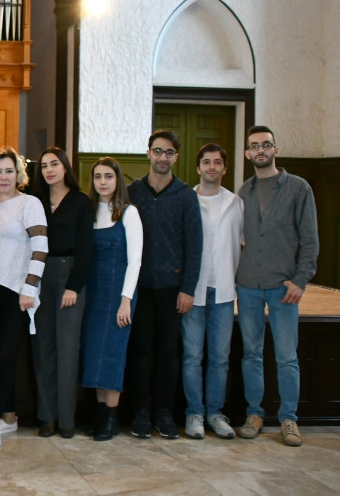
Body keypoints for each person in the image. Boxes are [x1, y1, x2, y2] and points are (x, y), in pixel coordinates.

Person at [235, 126, 318, 447]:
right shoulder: (243, 192)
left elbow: (310, 240)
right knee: (251, 355)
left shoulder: (298, 188)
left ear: (275, 149)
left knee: (287, 356)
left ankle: (289, 419)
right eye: (254, 146)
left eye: (266, 144)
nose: (260, 150)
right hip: (249, 285)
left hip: (284, 287)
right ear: (247, 154)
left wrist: (301, 279)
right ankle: (254, 414)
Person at [126, 129, 202, 439]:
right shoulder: (132, 192)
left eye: (168, 152)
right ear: (148, 153)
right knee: (140, 351)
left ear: (176, 157)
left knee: (169, 353)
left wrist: (188, 288)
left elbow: (194, 246)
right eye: (157, 151)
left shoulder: (185, 196)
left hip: (173, 289)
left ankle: (165, 412)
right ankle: (141, 411)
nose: (162, 157)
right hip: (140, 287)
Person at [0, 147, 47, 449]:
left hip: (17, 291)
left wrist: (30, 288)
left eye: (9, 170)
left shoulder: (29, 203)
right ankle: (10, 416)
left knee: (6, 355)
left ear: (18, 173)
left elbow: (41, 247)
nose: (4, 177)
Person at [31, 147, 94, 438]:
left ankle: (67, 419)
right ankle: (48, 417)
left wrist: (74, 286)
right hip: (40, 274)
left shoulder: (81, 201)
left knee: (68, 349)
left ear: (65, 167)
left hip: (70, 275)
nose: (49, 170)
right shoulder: (35, 201)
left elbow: (86, 248)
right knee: (43, 348)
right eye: (44, 165)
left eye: (54, 164)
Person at [181, 143, 243, 440]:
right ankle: (194, 412)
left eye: (218, 163)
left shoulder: (236, 203)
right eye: (206, 162)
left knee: (220, 357)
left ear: (225, 168)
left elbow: (242, 243)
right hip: (194, 290)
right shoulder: (188, 201)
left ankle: (215, 413)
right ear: (198, 167)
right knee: (192, 356)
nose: (212, 167)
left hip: (224, 291)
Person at [80, 157, 142, 441]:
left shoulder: (129, 213)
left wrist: (126, 299)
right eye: (97, 177)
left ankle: (112, 417)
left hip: (119, 294)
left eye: (108, 176)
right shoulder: (90, 212)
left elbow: (136, 262)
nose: (102, 181)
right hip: (93, 294)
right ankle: (100, 412)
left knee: (113, 353)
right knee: (94, 352)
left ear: (118, 180)